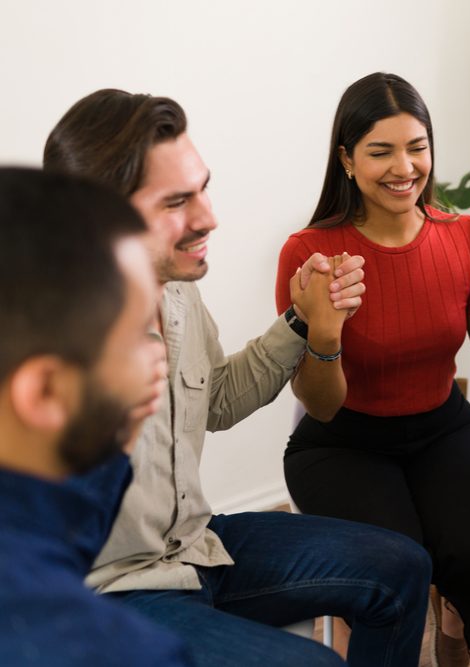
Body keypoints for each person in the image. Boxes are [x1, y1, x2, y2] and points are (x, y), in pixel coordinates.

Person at [43, 89, 432, 667]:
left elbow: (217, 399)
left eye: (203, 187)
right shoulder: (39, 335)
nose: (209, 217)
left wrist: (301, 318)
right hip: (115, 593)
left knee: (401, 567)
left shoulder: (176, 292)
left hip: (198, 547)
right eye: (177, 201)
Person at [274, 71, 470, 664]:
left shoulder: (463, 235)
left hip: (441, 425)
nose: (404, 167)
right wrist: (325, 332)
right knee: (397, 565)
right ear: (347, 160)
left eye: (417, 147)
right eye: (381, 151)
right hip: (341, 442)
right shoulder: (308, 254)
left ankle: (458, 629)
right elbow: (322, 404)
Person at [0, 167, 191, 665]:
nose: (153, 357)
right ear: (43, 391)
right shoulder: (120, 651)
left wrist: (112, 434)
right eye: (133, 337)